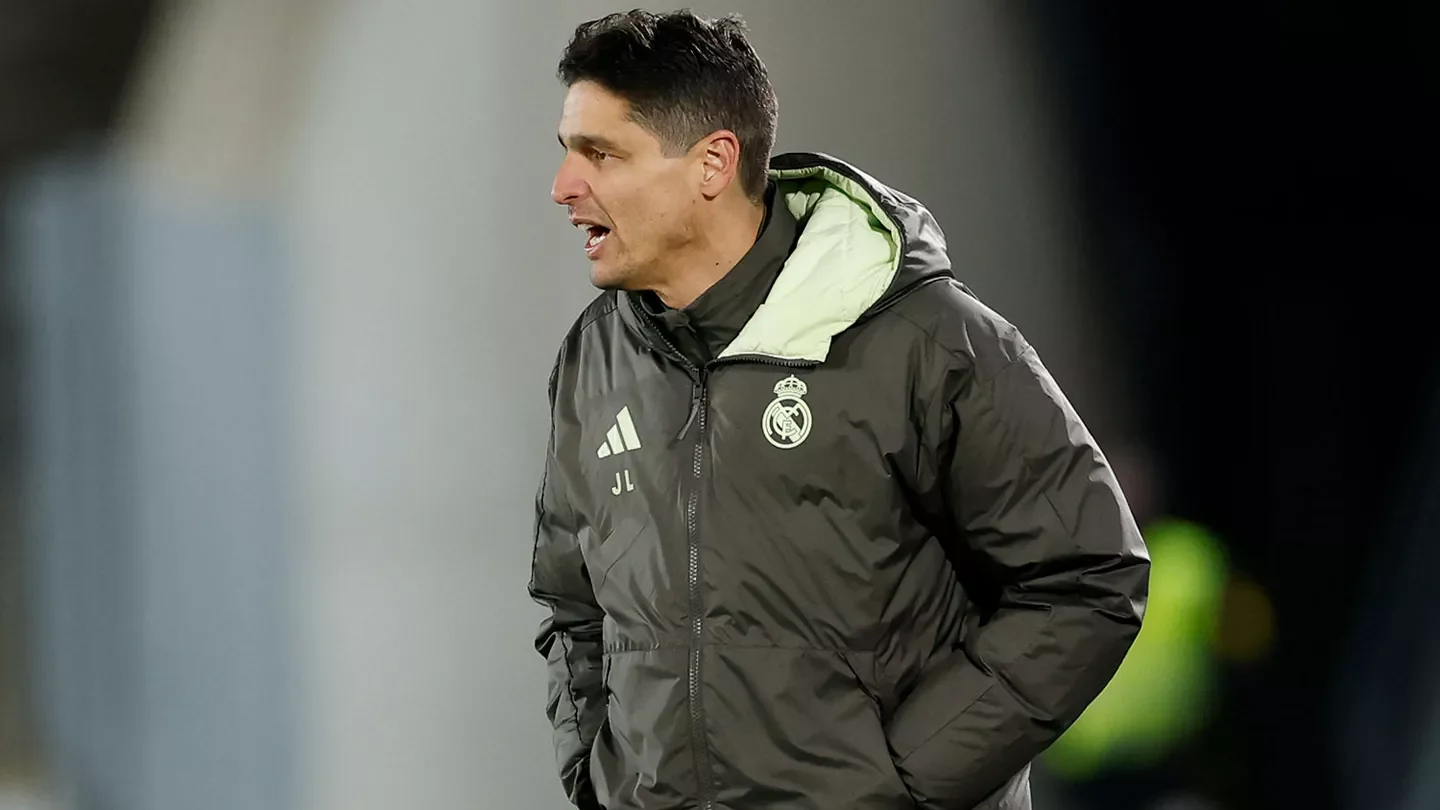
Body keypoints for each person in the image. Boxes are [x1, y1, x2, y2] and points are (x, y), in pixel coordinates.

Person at [527, 10, 1150, 810]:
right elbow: (569, 602)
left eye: (600, 154)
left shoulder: (926, 338)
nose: (563, 188)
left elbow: (1087, 577)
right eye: (566, 154)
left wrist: (902, 783)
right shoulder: (595, 359)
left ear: (712, 164)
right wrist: (596, 782)